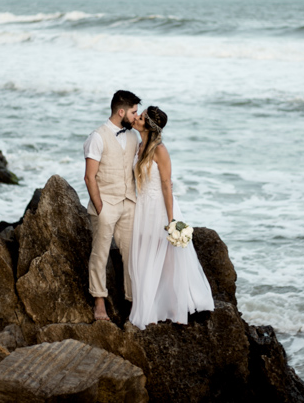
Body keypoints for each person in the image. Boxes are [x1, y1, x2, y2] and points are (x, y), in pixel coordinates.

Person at [128, 106, 215, 330]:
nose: (136, 118)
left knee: (170, 259)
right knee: (147, 256)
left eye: (140, 117)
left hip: (161, 208)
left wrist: (171, 220)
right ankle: (153, 307)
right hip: (143, 207)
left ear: (147, 125)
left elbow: (167, 185)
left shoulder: (160, 150)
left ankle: (177, 308)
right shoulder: (139, 146)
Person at [83, 90, 141, 321]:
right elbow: (89, 177)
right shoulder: (97, 137)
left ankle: (132, 302)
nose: (136, 117)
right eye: (133, 112)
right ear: (121, 112)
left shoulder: (134, 137)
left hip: (130, 203)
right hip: (106, 204)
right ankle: (99, 302)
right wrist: (100, 207)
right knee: (100, 253)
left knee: (131, 254)